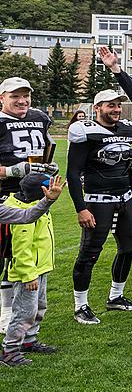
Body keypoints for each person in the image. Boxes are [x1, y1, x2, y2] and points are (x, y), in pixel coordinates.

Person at [68, 90, 132, 323]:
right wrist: (81, 208)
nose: (115, 109)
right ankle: (80, 305)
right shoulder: (86, 131)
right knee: (90, 252)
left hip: (124, 197)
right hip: (97, 199)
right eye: (110, 105)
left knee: (129, 247)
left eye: (118, 105)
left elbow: (126, 166)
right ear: (97, 108)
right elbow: (72, 173)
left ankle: (116, 296)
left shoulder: (126, 130)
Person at [0, 77, 55, 335]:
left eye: (26, 95)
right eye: (15, 96)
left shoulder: (38, 117)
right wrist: (13, 170)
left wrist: (47, 167)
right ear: (2, 98)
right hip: (5, 198)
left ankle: (24, 324)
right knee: (9, 257)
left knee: (34, 256)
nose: (22, 101)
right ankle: (6, 315)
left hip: (35, 197)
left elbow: (46, 149)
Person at [0, 174, 65, 367]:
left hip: (39, 269)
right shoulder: (17, 210)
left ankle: (28, 341)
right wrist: (28, 275)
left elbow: (28, 216)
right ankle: (10, 351)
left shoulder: (30, 208)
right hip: (27, 273)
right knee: (24, 312)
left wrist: (48, 201)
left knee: (38, 307)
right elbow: (21, 250)